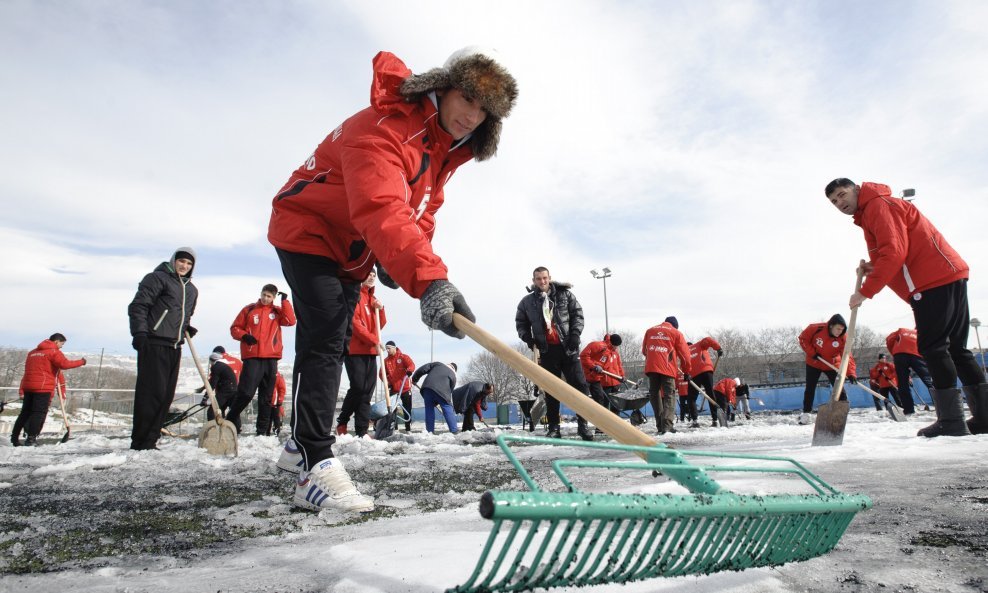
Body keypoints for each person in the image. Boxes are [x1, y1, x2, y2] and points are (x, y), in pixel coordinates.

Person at [268, 47, 517, 513]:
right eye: (467, 98)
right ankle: (312, 462)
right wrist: (429, 280)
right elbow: (382, 207)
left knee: (334, 335)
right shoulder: (384, 129)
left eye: (484, 109)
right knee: (323, 335)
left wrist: (397, 262)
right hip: (307, 227)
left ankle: (298, 441)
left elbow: (419, 214)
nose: (472, 115)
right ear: (441, 88)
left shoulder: (439, 150)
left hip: (353, 245)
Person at [826, 178, 986, 436]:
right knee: (956, 349)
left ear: (857, 189)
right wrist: (874, 268)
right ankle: (984, 418)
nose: (840, 203)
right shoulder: (879, 206)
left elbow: (895, 252)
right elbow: (899, 249)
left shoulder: (878, 206)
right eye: (834, 202)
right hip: (949, 274)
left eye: (842, 195)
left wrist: (865, 292)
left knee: (933, 348)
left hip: (931, 280)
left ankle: (951, 421)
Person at [128, 248, 198, 451]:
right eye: (181, 261)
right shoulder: (156, 278)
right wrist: (139, 333)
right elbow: (139, 306)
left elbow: (184, 314)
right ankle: (140, 442)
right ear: (174, 261)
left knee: (166, 395)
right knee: (151, 394)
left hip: (175, 346)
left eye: (189, 263)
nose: (184, 266)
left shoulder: (191, 290)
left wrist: (185, 327)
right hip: (154, 342)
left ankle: (151, 439)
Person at [515, 267, 594, 441]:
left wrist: (575, 334)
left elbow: (578, 315)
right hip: (547, 351)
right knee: (551, 391)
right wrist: (527, 337)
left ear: (549, 278)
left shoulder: (565, 295)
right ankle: (553, 427)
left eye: (544, 278)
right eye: (538, 279)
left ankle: (583, 425)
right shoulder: (527, 302)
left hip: (568, 348)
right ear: (534, 280)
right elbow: (520, 322)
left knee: (580, 387)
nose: (542, 281)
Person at [226, 284, 296, 436]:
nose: (265, 298)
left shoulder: (277, 312)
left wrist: (285, 302)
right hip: (252, 357)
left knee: (266, 397)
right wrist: (244, 335)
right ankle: (230, 417)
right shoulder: (249, 310)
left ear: (274, 297)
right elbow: (234, 328)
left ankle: (262, 432)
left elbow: (291, 321)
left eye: (269, 296)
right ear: (261, 294)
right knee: (246, 392)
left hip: (271, 359)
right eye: (264, 294)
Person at [12, 333, 86, 446]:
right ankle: (31, 439)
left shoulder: (32, 353)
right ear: (56, 341)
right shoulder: (53, 351)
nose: (61, 346)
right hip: (42, 387)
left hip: (28, 386)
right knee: (38, 413)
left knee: (25, 413)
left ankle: (14, 438)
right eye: (62, 344)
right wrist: (81, 362)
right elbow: (65, 364)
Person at [336, 271, 386, 437]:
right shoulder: (354, 295)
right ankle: (342, 422)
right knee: (358, 387)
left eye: (374, 275)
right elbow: (355, 324)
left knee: (367, 392)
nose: (372, 276)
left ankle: (362, 430)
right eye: (369, 273)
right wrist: (374, 340)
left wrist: (381, 309)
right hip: (355, 349)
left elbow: (381, 324)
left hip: (371, 351)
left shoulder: (373, 299)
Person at [797, 314, 857, 425]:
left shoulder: (843, 338)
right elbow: (803, 339)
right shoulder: (815, 329)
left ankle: (841, 413)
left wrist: (851, 373)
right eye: (838, 329)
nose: (840, 331)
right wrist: (812, 353)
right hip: (814, 362)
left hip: (832, 364)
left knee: (839, 388)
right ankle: (806, 413)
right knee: (810, 387)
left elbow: (847, 355)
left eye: (842, 329)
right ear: (831, 326)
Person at [642, 316, 691, 434]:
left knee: (655, 394)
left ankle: (660, 425)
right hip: (667, 368)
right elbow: (685, 356)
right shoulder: (676, 333)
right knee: (670, 394)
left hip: (651, 367)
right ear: (675, 325)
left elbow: (644, 351)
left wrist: (655, 355)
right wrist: (687, 371)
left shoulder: (650, 330)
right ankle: (667, 425)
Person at [886, 327, 932, 415]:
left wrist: (894, 352)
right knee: (928, 380)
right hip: (916, 354)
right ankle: (942, 405)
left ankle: (908, 409)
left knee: (902, 383)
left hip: (899, 355)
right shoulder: (923, 333)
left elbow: (889, 339)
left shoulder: (901, 330)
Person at [579, 333, 624, 418]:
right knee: (588, 401)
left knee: (602, 401)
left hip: (598, 379)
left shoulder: (613, 353)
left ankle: (609, 424)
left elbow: (618, 366)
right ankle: (596, 426)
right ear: (613, 343)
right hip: (589, 378)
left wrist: (621, 376)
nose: (616, 348)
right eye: (616, 346)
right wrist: (593, 366)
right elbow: (584, 356)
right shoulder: (598, 345)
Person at [411, 362, 459, 434]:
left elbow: (423, 369)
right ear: (454, 370)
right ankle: (454, 430)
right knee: (447, 407)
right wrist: (441, 400)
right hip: (443, 391)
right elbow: (450, 391)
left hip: (427, 388)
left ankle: (430, 431)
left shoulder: (438, 364)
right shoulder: (453, 376)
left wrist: (415, 379)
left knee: (429, 409)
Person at [688, 336, 723, 427]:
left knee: (691, 398)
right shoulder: (699, 344)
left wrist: (686, 373)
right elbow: (708, 340)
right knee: (710, 394)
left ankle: (695, 421)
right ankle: (715, 420)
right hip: (706, 370)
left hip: (694, 374)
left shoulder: (685, 351)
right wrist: (718, 348)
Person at [383, 341, 416, 432]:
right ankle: (394, 428)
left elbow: (411, 364)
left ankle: (408, 429)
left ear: (394, 347)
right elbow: (381, 374)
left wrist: (409, 370)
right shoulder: (386, 361)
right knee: (392, 409)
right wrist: (387, 380)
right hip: (393, 388)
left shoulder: (403, 357)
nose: (387, 350)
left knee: (407, 408)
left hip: (405, 388)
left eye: (389, 348)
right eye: (386, 348)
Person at [201, 351, 238, 422]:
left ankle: (212, 429)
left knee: (212, 410)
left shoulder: (216, 367)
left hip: (226, 391)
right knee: (233, 411)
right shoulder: (223, 365)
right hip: (233, 389)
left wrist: (205, 398)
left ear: (211, 360)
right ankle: (237, 429)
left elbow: (212, 384)